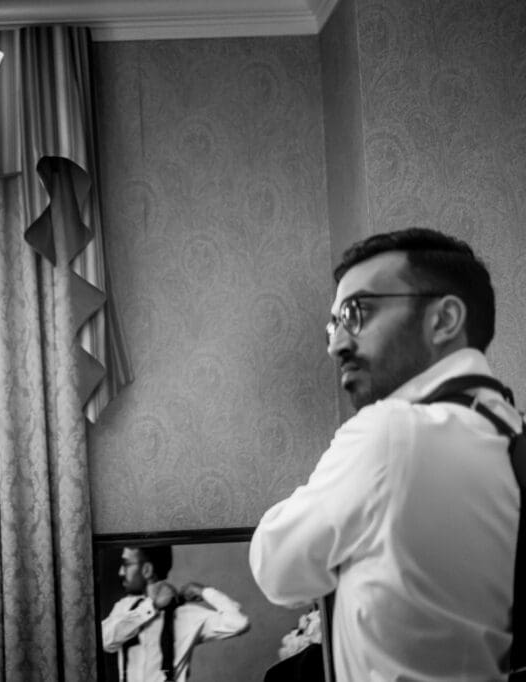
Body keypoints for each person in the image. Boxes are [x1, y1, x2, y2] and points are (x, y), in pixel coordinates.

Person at [249, 228, 521, 681]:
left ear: (444, 319)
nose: (336, 345)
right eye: (334, 324)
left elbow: (277, 569)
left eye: (357, 312)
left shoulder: (391, 433)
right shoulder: (508, 429)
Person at [102, 545, 250, 681]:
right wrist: (151, 607)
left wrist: (205, 592)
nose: (121, 572)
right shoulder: (124, 608)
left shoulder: (185, 614)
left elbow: (239, 623)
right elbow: (106, 640)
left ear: (147, 569)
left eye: (127, 564)